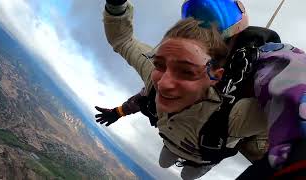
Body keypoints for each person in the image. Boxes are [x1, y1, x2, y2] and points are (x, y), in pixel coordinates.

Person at [100, 0, 280, 179]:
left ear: (216, 73)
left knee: (186, 174)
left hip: (201, 157)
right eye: (161, 64)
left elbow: (287, 116)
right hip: (187, 147)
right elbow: (124, 42)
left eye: (186, 71)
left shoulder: (237, 112)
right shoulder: (155, 75)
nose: (164, 83)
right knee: (167, 162)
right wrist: (119, 111)